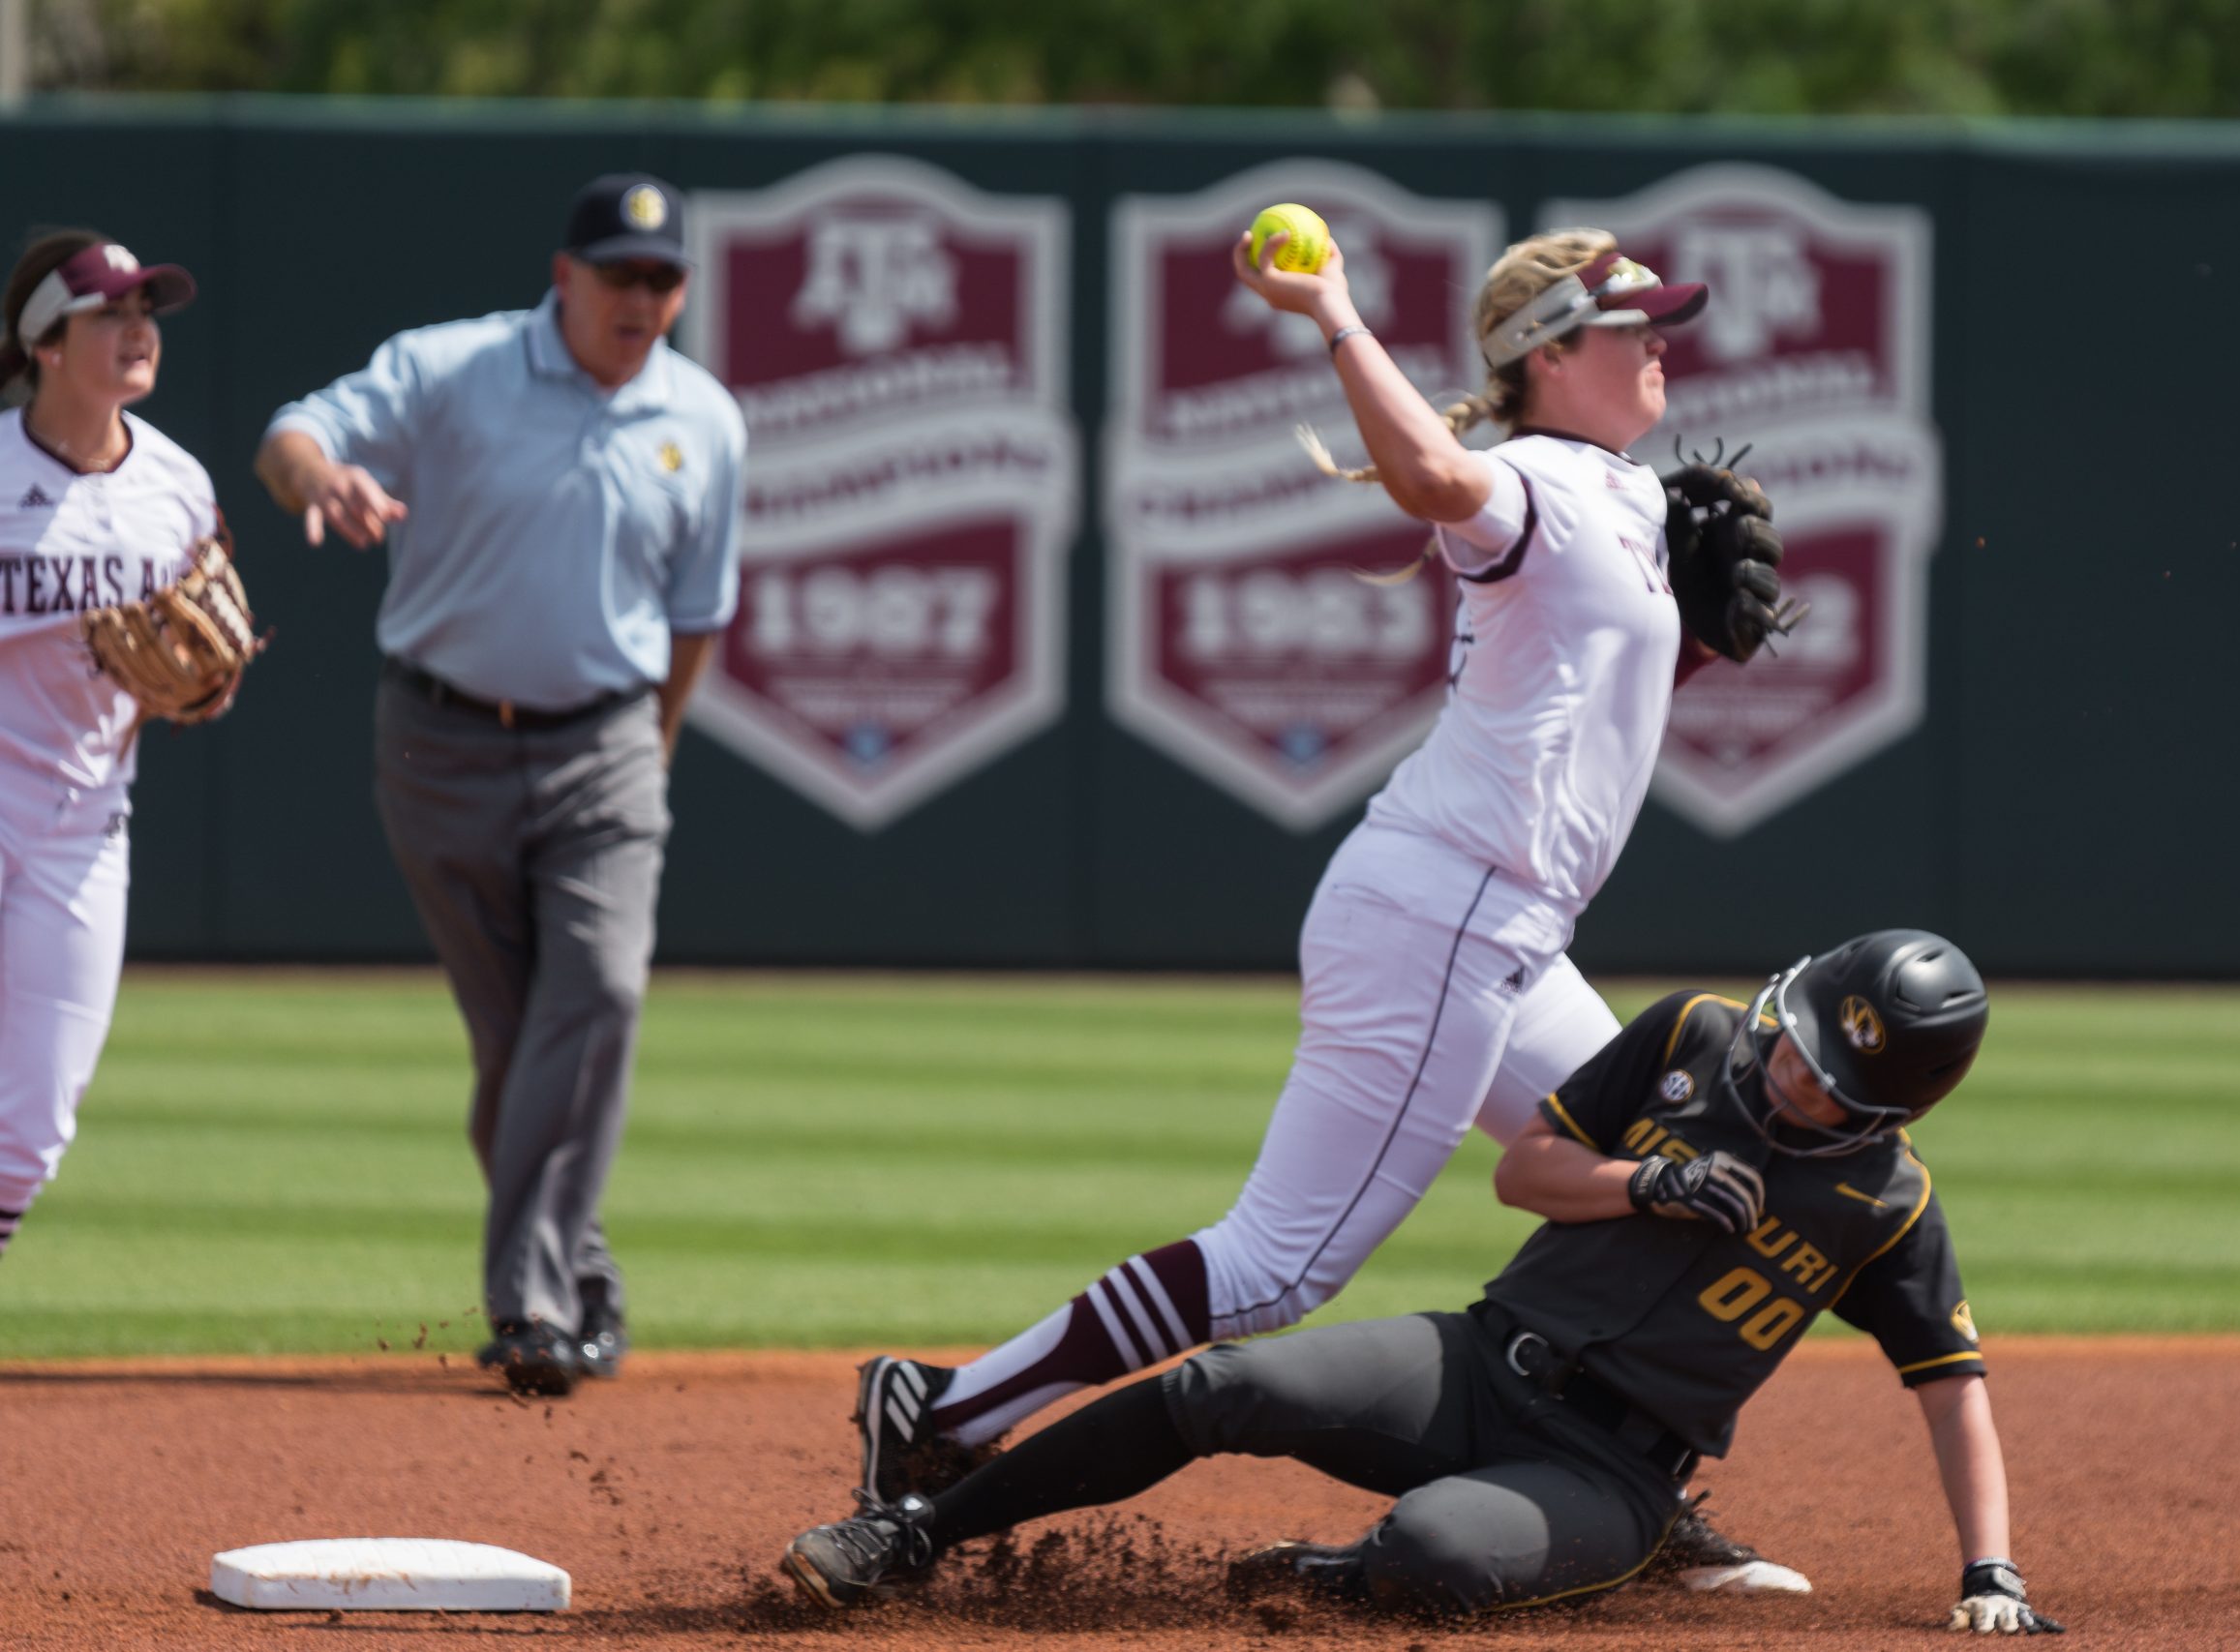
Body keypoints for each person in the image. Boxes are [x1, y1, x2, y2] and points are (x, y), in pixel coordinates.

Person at [849, 225, 1798, 1588]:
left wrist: (1697, 647)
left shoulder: (1632, 499)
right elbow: (1427, 474)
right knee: (1276, 1265)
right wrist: (1337, 312)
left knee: (1656, 1178)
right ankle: (941, 1410)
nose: (1665, 343)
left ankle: (1613, 1468)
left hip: (1505, 927)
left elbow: (1581, 709)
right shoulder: (1532, 481)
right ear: (1551, 353)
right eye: (1636, 324)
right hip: (1447, 914)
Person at [784, 929, 2063, 1636]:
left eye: (1828, 1083)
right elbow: (1525, 1170)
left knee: (1436, 1550)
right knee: (1227, 1381)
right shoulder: (1697, 1033)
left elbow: (1954, 1389)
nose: (1790, 1076)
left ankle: (1362, 1564)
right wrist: (1645, 1182)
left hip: (1610, 1473)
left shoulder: (1887, 1202)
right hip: (1475, 1363)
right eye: (1799, 1043)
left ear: (1891, 1103)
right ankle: (912, 1534)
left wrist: (1989, 1570)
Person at [254, 174, 746, 1397]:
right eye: (621, 274)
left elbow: (697, 618)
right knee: (516, 1045)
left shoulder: (706, 419)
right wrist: (318, 481)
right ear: (563, 275)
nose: (643, 298)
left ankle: (526, 1305)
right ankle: (582, 1276)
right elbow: (288, 436)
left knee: (603, 995)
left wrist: (654, 751)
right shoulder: (453, 368)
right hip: (440, 741)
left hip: (607, 744)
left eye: (663, 278)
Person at [0, 231, 218, 1267]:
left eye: (147, 311)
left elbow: (192, 662)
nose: (138, 329)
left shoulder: (176, 487)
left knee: (34, 1129)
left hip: (83, 825)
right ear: (46, 344)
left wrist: (202, 687)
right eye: (109, 313)